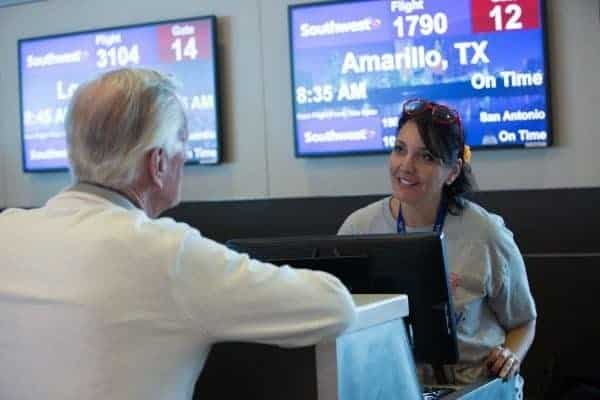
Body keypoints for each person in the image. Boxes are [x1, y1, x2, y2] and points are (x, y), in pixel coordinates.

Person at [0, 68, 356, 400]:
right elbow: (335, 307)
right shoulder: (166, 253)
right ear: (157, 163)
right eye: (183, 143)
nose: (186, 157)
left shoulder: (7, 231)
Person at [338, 99, 537, 387]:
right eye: (399, 149)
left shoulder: (486, 233)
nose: (406, 166)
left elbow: (523, 321)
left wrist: (511, 355)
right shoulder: (359, 228)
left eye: (426, 157)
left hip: (472, 387)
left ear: (453, 171)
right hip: (391, 387)